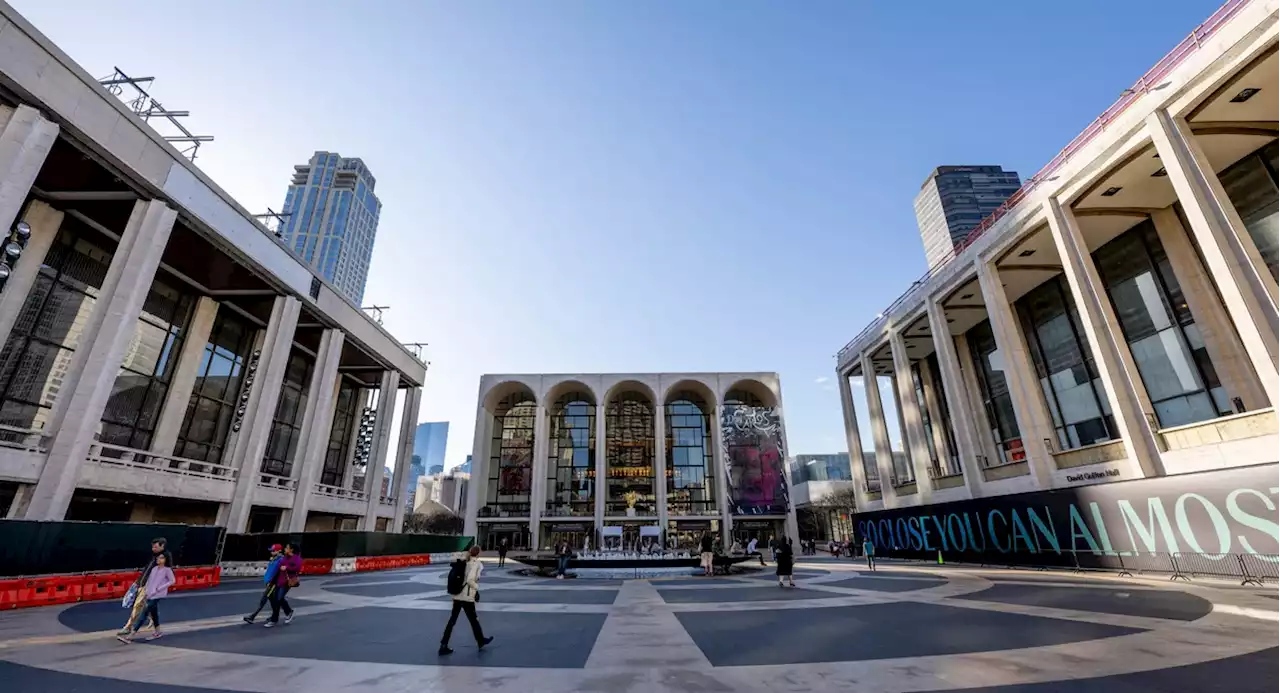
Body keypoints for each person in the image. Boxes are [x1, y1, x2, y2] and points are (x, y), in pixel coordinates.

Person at [439, 545, 494, 656]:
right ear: (478, 554)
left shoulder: (464, 561)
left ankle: (443, 644)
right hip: (467, 597)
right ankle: (480, 641)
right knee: (473, 620)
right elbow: (470, 580)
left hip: (457, 595)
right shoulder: (477, 564)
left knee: (452, 620)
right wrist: (477, 588)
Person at [119, 537, 173, 637]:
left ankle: (128, 627)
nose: (153, 548)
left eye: (156, 547)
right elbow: (146, 570)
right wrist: (138, 582)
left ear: (162, 546)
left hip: (149, 586)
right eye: (153, 547)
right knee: (152, 608)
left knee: (138, 605)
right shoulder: (154, 557)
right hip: (143, 583)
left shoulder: (164, 559)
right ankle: (154, 624)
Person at [243, 544, 284, 624]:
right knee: (273, 601)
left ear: (279, 551)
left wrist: (273, 581)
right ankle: (274, 616)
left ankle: (252, 616)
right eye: (271, 551)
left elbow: (280, 573)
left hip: (273, 583)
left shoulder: (281, 560)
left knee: (264, 599)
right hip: (268, 582)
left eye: (273, 551)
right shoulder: (273, 559)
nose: (271, 552)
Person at [265, 543, 302, 627]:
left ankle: (275, 619)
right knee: (276, 599)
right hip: (279, 580)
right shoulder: (285, 557)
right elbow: (279, 565)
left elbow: (297, 568)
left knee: (279, 599)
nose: (285, 549)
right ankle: (287, 612)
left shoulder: (296, 558)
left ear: (291, 549)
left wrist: (287, 567)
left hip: (287, 581)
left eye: (287, 548)